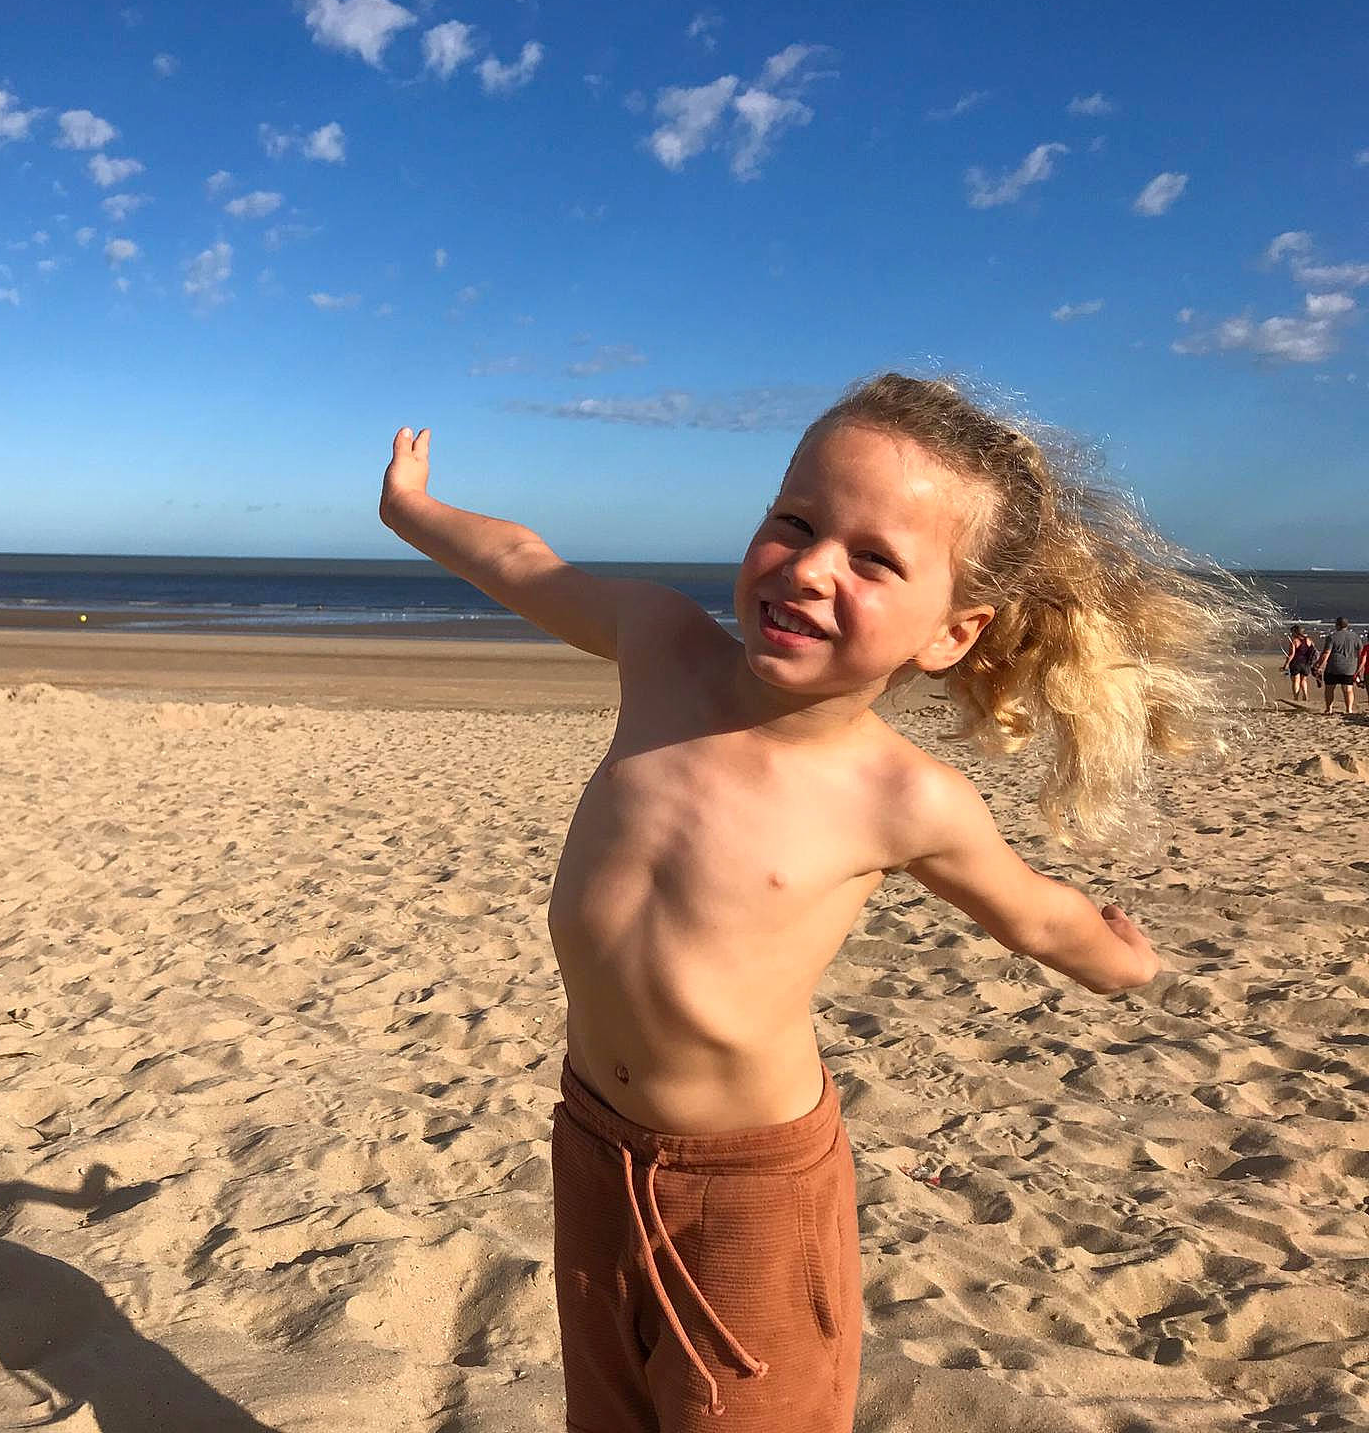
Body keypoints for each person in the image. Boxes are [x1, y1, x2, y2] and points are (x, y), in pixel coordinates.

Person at [378, 372, 1265, 1433]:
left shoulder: (904, 798)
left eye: (875, 559)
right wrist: (415, 511)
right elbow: (529, 563)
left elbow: (1030, 914)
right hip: (594, 1142)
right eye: (793, 522)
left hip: (747, 1191)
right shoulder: (662, 645)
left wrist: (1123, 959)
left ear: (950, 633)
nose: (807, 568)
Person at [1315, 616, 1364, 715]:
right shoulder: (1356, 637)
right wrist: (1359, 670)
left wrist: (1319, 665)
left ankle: (1329, 709)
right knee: (1348, 690)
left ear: (1337, 625)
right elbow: (1360, 655)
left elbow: (1326, 653)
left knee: (1329, 688)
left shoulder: (1332, 637)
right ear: (1347, 625)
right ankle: (1349, 709)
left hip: (1333, 667)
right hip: (1350, 668)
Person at [1283, 624, 1318, 704]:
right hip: (1306, 664)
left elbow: (1291, 654)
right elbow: (1313, 651)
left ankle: (1296, 698)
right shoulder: (1309, 640)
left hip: (1296, 663)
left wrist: (1286, 664)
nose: (1291, 634)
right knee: (1303, 680)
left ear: (1295, 632)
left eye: (1292, 633)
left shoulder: (1295, 641)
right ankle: (1305, 695)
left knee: (1296, 681)